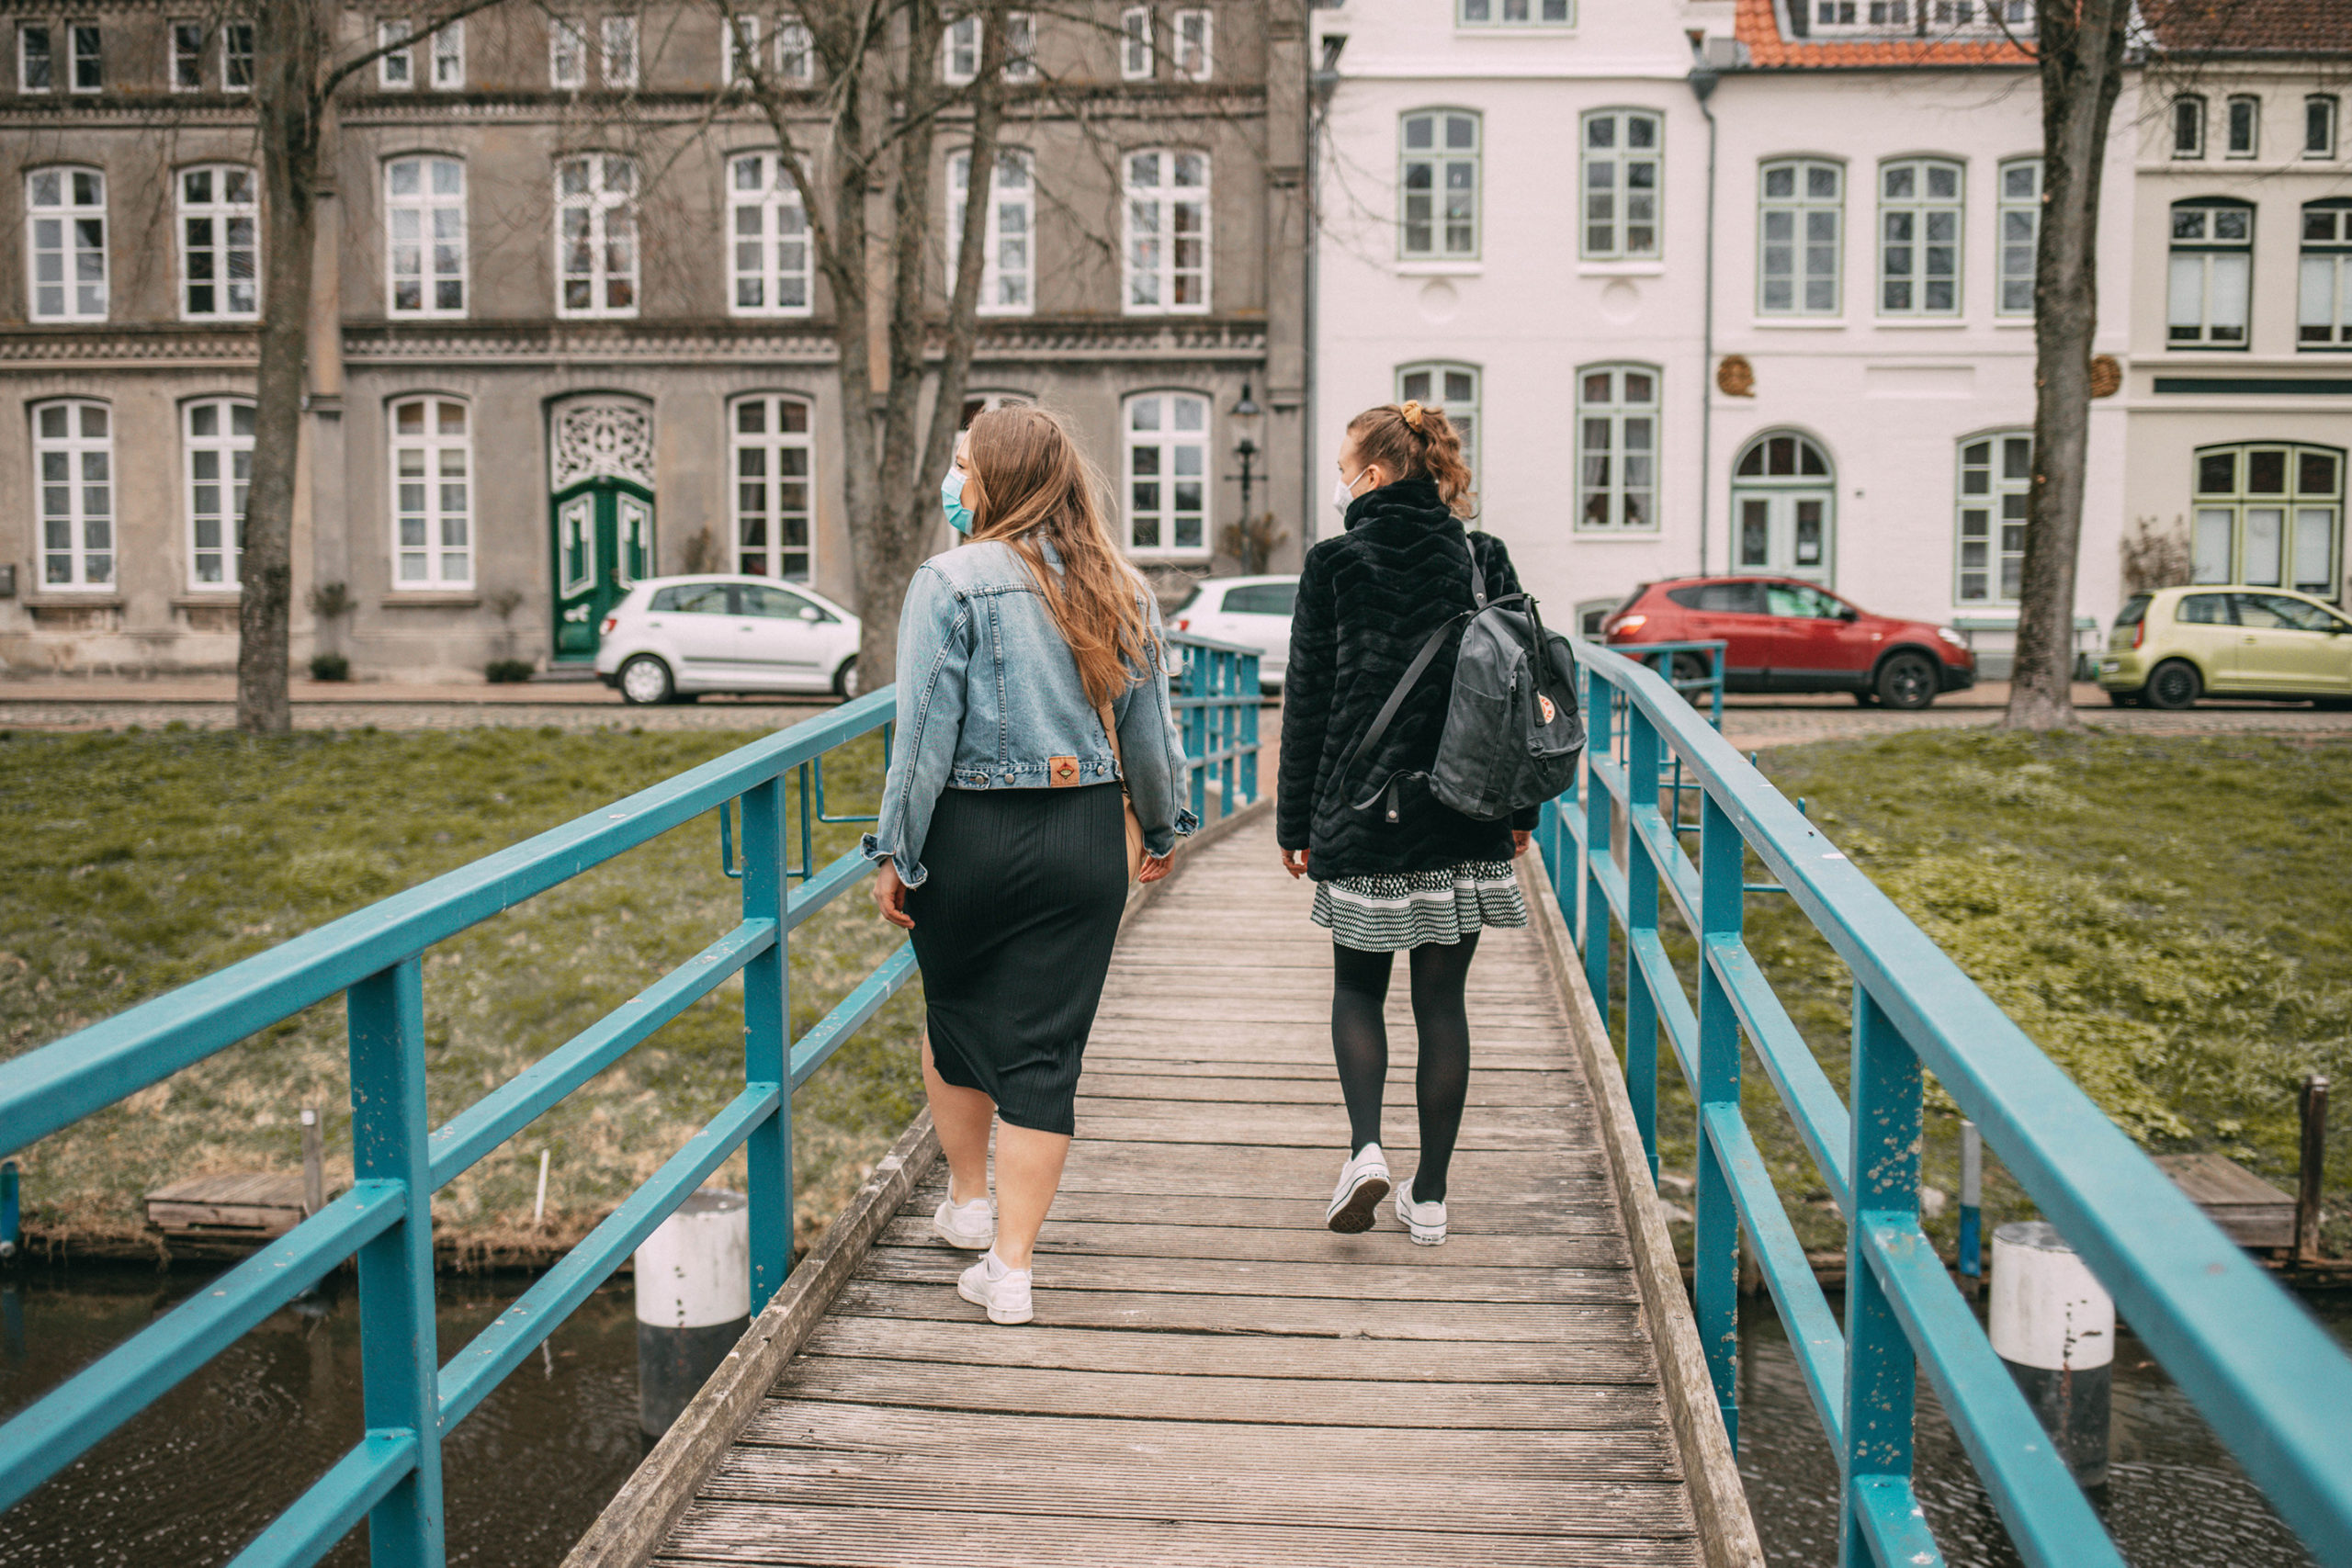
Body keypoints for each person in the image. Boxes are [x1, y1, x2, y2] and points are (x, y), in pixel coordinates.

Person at [862, 403, 1193, 1325]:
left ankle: (969, 1203)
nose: (955, 479)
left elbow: (920, 739)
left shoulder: (949, 581)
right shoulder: (1120, 584)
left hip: (970, 834)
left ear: (994, 479)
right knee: (1046, 1053)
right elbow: (1150, 740)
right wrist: (1160, 832)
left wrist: (898, 853)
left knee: (956, 1012)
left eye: (963, 464)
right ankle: (1012, 1269)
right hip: (1084, 837)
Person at [1277, 399, 1536, 1246]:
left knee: (1358, 988)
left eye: (1346, 466)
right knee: (1443, 1004)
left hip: (1362, 811)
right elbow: (1519, 698)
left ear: (1376, 474)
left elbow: (1308, 703)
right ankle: (1428, 1196)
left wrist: (1294, 821)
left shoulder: (1335, 562)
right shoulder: (1482, 557)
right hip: (1464, 816)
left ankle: (1364, 1148)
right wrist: (1519, 812)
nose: (1340, 481)